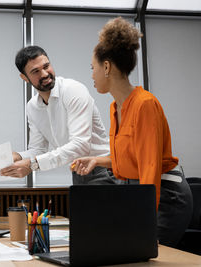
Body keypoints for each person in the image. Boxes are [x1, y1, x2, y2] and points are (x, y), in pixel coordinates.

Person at [71, 17, 193, 247]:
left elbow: (150, 167)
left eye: (92, 68)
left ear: (106, 67)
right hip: (140, 192)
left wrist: (143, 219)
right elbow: (131, 159)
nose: (91, 75)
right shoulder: (115, 107)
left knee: (140, 252)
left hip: (165, 196)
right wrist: (97, 160)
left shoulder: (144, 104)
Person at [0, 45, 111, 184]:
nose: (45, 74)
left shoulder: (73, 90)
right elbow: (38, 149)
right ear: (25, 78)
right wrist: (19, 156)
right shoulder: (32, 107)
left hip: (104, 169)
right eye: (35, 71)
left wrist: (31, 164)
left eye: (46, 66)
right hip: (78, 171)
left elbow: (80, 145)